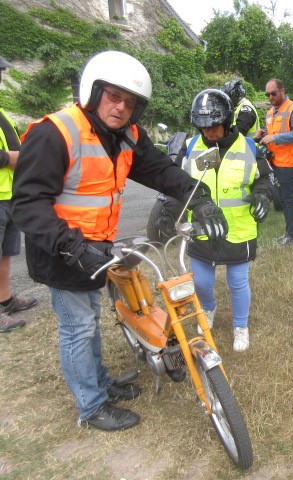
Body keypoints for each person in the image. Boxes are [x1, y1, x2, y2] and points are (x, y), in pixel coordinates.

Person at [11, 51, 225, 432]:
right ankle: (91, 406)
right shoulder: (54, 132)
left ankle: (99, 383)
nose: (121, 108)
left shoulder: (126, 135)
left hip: (99, 249)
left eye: (130, 102)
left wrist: (200, 195)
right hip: (63, 251)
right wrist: (72, 247)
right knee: (78, 328)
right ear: (92, 93)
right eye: (113, 96)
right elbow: (28, 205)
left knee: (89, 321)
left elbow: (159, 169)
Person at [185, 88, 273, 352]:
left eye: (213, 125)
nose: (208, 131)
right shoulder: (192, 146)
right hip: (203, 228)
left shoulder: (248, 146)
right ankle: (208, 309)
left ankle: (240, 325)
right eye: (203, 127)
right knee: (200, 281)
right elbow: (180, 182)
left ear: (226, 121)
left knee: (237, 282)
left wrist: (263, 196)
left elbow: (265, 179)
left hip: (238, 228)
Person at [0, 56, 37, 333]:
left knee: (5, 253)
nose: (2, 76)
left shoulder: (1, 112)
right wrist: (6, 158)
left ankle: (6, 300)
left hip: (8, 193)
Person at [254, 79, 293, 246]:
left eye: (273, 93)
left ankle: (292, 236)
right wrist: (262, 135)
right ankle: (288, 233)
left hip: (289, 162)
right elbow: (271, 134)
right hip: (275, 161)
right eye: (267, 94)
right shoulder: (270, 112)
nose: (270, 97)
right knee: (283, 199)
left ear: (283, 91)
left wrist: (275, 137)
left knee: (289, 198)